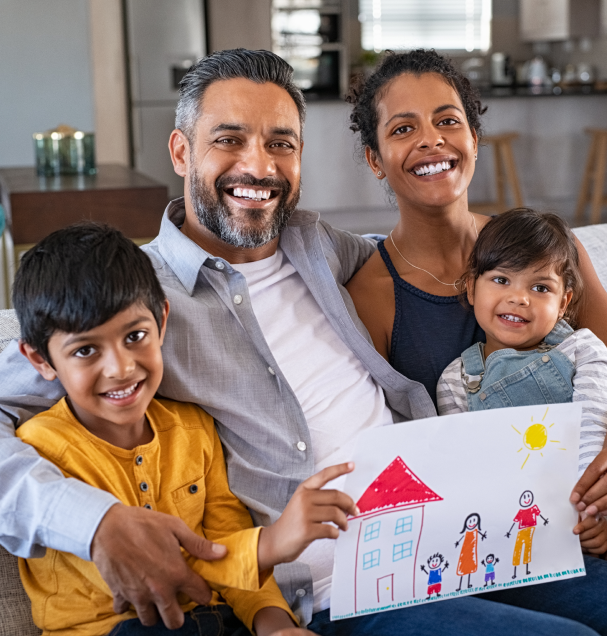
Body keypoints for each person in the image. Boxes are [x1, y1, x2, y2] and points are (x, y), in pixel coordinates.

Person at [0, 49, 607, 636]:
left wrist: (517, 261)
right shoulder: (130, 302)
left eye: (281, 144)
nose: (258, 166)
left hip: (461, 536)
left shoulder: (320, 245)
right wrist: (97, 524)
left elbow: (436, 255)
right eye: (229, 140)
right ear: (181, 152)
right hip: (341, 588)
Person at [345, 48, 607, 572]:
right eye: (403, 128)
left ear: (473, 139)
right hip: (489, 532)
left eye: (448, 120)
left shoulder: (548, 249)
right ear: (374, 159)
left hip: (605, 497)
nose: (431, 139)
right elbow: (384, 449)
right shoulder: (371, 295)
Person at [12, 222, 361, 636]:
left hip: (216, 622)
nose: (121, 368)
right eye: (86, 351)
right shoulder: (43, 448)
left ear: (162, 321)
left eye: (135, 336)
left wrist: (274, 624)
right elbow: (147, 570)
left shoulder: (192, 428)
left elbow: (228, 531)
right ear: (41, 361)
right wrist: (270, 545)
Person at [436, 208, 607, 556]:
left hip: (587, 511)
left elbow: (591, 444)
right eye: (502, 280)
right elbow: (465, 471)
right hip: (509, 527)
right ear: (472, 288)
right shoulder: (456, 380)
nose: (519, 298)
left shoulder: (583, 351)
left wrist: (593, 516)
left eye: (540, 287)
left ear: (564, 303)